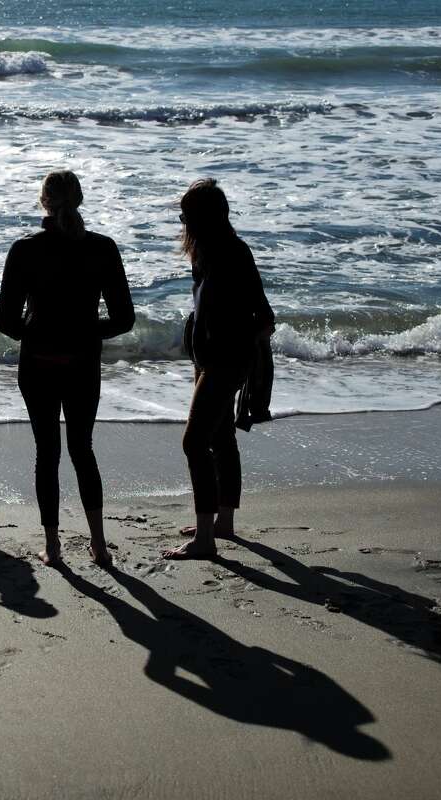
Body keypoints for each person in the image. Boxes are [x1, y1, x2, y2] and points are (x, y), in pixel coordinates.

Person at [0, 170, 135, 567]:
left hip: (38, 363)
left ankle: (53, 546)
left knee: (47, 453)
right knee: (83, 450)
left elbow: (6, 321)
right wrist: (87, 332)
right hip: (83, 363)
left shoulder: (24, 250)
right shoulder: (103, 248)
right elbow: (124, 319)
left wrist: (38, 333)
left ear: (44, 202)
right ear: (80, 200)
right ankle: (99, 544)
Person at [164, 179, 274, 560]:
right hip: (210, 358)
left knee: (194, 442)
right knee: (221, 436)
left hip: (225, 360)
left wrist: (243, 357)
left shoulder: (232, 254)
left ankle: (206, 540)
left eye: (186, 216)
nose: (182, 224)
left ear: (201, 219)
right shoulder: (207, 253)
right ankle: (221, 523)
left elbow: (264, 314)